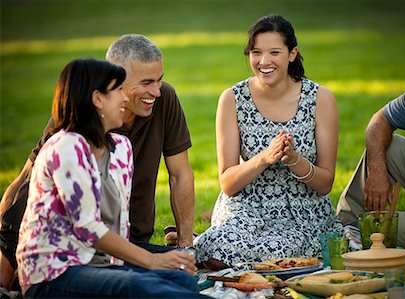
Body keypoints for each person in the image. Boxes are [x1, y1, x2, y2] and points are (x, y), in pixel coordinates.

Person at [0, 34, 195, 289]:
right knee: (144, 287)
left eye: (159, 80)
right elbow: (27, 188)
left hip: (120, 244)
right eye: (147, 82)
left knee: (180, 278)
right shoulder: (71, 132)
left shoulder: (126, 142)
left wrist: (185, 248)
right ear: (115, 83)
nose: (156, 91)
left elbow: (180, 174)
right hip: (66, 257)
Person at [194, 14, 343, 269]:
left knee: (291, 250)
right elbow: (228, 183)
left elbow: (325, 183)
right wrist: (264, 158)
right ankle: (207, 243)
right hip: (246, 207)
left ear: (292, 54)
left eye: (274, 52)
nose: (264, 62)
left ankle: (205, 246)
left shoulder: (320, 99)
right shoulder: (232, 99)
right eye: (256, 52)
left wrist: (295, 161)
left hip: (301, 211)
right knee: (220, 247)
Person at [336, 14, 405, 249]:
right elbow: (380, 121)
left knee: (378, 229)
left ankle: (361, 235)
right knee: (387, 145)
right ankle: (343, 228)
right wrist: (377, 170)